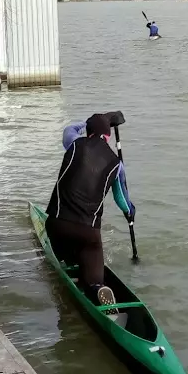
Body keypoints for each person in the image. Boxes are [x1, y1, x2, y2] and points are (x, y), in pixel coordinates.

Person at [46, 113, 134, 306]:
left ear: (89, 131)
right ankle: (95, 288)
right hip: (88, 233)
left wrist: (85, 122)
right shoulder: (116, 164)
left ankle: (70, 264)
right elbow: (123, 202)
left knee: (69, 258)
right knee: (94, 277)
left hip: (58, 223)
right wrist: (130, 212)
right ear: (108, 136)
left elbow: (69, 129)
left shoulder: (74, 143)